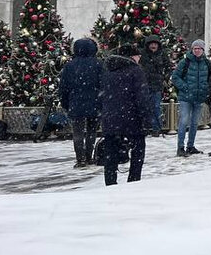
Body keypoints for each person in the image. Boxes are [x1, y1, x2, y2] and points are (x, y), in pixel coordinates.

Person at [98, 43, 150, 185]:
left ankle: (110, 182)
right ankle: (133, 181)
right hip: (131, 118)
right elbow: (142, 97)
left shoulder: (108, 70)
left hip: (110, 118)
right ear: (132, 56)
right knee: (138, 150)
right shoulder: (135, 71)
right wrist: (146, 117)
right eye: (138, 56)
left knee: (110, 153)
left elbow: (101, 94)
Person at [58, 37, 102, 168]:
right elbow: (104, 84)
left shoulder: (70, 66)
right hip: (94, 102)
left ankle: (80, 158)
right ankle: (89, 156)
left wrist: (66, 103)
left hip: (76, 103)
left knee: (77, 132)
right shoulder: (99, 64)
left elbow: (64, 87)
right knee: (91, 131)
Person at [171, 39, 210, 157]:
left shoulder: (207, 63)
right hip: (186, 97)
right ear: (192, 50)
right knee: (183, 121)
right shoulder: (185, 62)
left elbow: (209, 78)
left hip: (199, 97)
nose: (197, 50)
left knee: (194, 123)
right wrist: (185, 87)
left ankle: (190, 146)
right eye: (195, 48)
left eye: (199, 48)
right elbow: (175, 77)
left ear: (203, 50)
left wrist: (205, 89)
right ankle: (180, 147)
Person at [139, 34, 170, 135]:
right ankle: (148, 127)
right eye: (151, 44)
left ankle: (157, 128)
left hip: (157, 84)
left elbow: (168, 67)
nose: (153, 46)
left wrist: (165, 77)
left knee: (156, 107)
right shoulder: (143, 55)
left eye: (155, 44)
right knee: (146, 107)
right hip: (145, 84)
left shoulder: (162, 54)